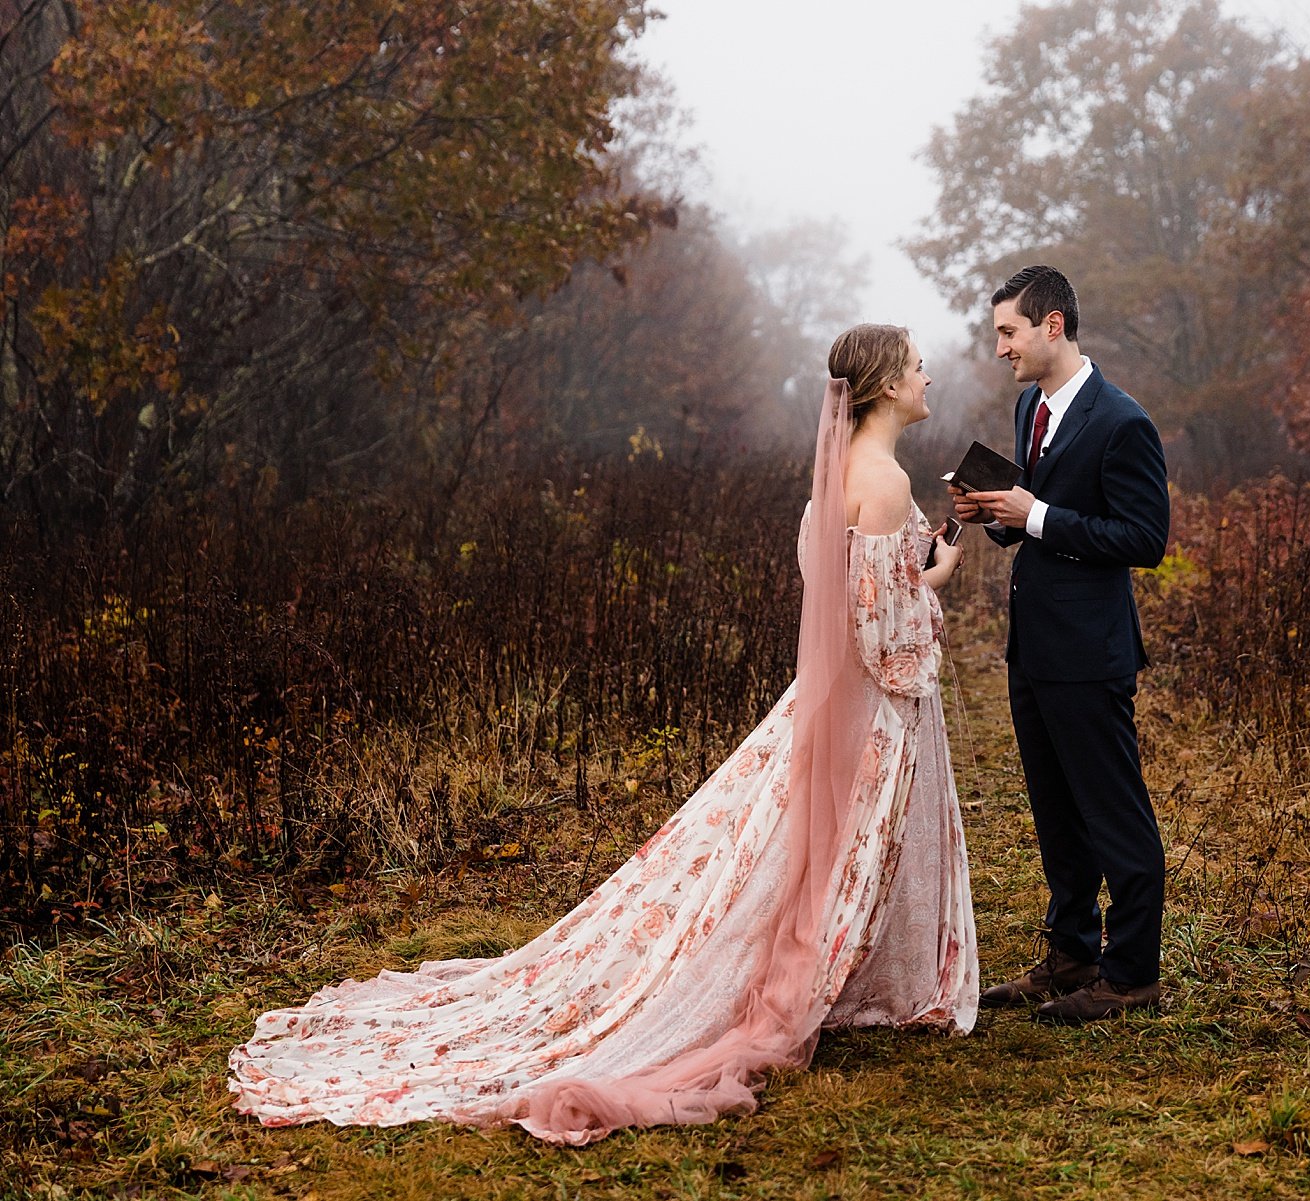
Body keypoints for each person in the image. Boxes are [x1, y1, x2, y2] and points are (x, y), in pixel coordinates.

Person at [230, 324, 979, 1144]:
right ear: (882, 386)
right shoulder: (886, 477)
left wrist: (924, 565)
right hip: (865, 705)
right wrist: (933, 590)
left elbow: (838, 581)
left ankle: (815, 969)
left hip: (823, 696)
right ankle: (807, 982)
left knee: (781, 848)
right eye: (915, 366)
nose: (927, 375)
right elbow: (882, 629)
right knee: (827, 848)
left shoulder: (838, 473)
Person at [951, 266, 1169, 1024]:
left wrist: (1036, 513)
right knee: (1056, 812)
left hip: (1091, 650)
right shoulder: (1027, 406)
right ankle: (1071, 952)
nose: (1001, 347)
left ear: (1052, 325)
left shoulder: (1122, 421)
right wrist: (999, 515)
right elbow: (1037, 517)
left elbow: (1145, 538)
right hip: (1033, 647)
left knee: (1114, 812)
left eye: (1009, 331)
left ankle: (1133, 969)